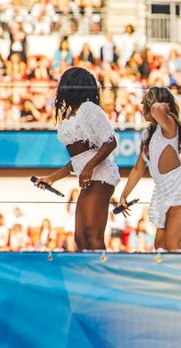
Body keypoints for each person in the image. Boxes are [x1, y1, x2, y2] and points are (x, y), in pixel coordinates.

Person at [35, 67, 119, 250]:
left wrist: (89, 167)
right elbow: (77, 159)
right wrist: (51, 178)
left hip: (100, 175)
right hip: (89, 175)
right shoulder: (70, 114)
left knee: (92, 236)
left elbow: (111, 142)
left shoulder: (88, 109)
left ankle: (101, 276)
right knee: (80, 239)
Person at [118, 86, 181, 251]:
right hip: (164, 190)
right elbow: (138, 169)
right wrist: (124, 195)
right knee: (159, 245)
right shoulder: (149, 134)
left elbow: (156, 109)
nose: (141, 105)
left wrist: (161, 105)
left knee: (172, 243)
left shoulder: (169, 124)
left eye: (145, 102)